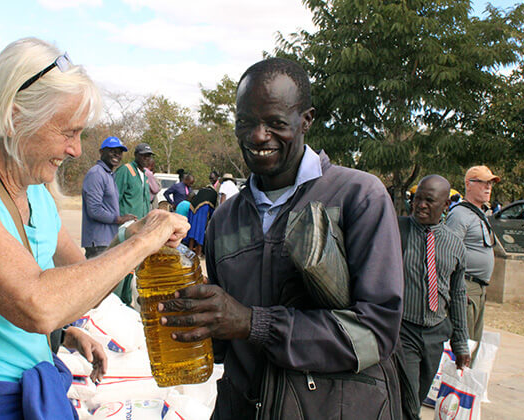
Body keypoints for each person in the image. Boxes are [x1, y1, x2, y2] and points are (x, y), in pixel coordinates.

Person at [0, 38, 190, 419]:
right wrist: (142, 244)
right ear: (14, 117)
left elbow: (81, 280)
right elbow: (37, 305)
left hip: (23, 393)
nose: (75, 149)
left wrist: (129, 237)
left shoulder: (35, 195)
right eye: (67, 133)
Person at [158, 58, 403, 418]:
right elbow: (229, 344)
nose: (258, 136)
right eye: (246, 123)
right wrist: (191, 313)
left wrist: (252, 322)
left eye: (275, 123)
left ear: (306, 120)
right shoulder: (225, 219)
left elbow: (375, 335)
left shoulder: (359, 197)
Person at [397, 175, 470, 419]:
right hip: (402, 330)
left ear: (446, 205)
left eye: (429, 200)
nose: (421, 205)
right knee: (407, 396)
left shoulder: (455, 245)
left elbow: (458, 295)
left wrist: (460, 344)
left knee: (418, 395)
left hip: (435, 333)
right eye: (417, 199)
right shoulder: (396, 231)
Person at [445, 165, 500, 355]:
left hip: (479, 289)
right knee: (462, 345)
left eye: (490, 183)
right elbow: (449, 253)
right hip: (466, 287)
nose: (488, 187)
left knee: (473, 344)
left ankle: (464, 384)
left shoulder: (480, 214)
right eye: (483, 183)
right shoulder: (460, 215)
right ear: (469, 184)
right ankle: (454, 383)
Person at [81, 136, 136, 259]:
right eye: (112, 151)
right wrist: (119, 219)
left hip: (108, 240)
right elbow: (94, 210)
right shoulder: (96, 174)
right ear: (101, 152)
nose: (117, 155)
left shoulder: (109, 175)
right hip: (98, 243)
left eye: (120, 152)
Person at [115, 143, 153, 220]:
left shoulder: (144, 174)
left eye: (148, 156)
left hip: (140, 224)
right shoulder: (125, 170)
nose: (146, 158)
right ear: (136, 155)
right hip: (126, 225)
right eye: (143, 155)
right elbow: (114, 198)